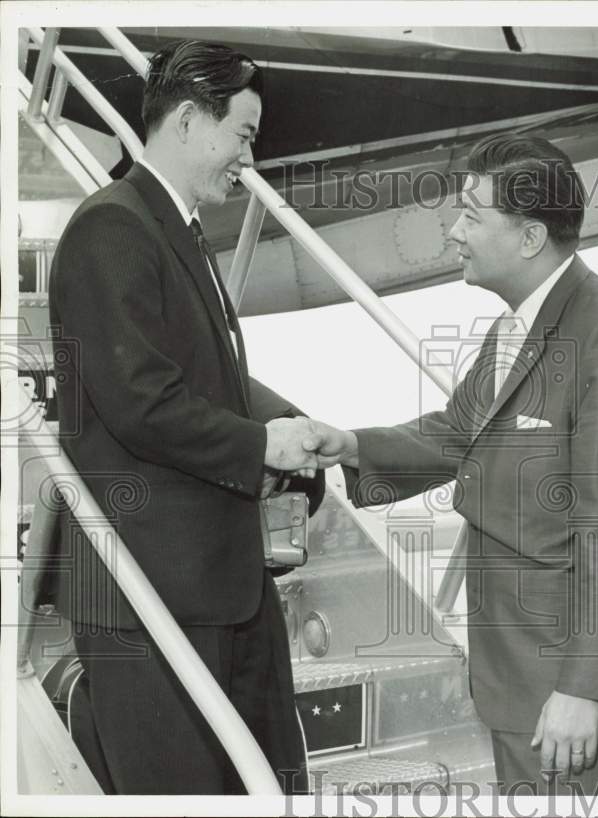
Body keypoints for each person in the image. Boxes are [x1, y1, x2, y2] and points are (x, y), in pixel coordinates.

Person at [304, 134, 598, 794]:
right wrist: (350, 445)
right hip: (520, 677)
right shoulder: (520, 326)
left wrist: (583, 689)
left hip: (564, 691)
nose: (453, 231)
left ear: (529, 238)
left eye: (472, 214)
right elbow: (458, 434)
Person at [47, 40, 323, 795]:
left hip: (217, 585)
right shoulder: (113, 227)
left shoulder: (175, 228)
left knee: (268, 788)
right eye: (243, 134)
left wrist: (294, 430)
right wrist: (262, 444)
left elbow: (207, 377)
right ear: (190, 121)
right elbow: (141, 399)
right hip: (151, 596)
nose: (249, 157)